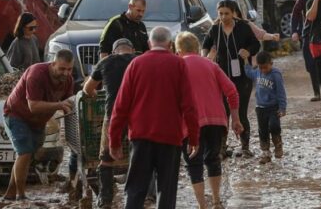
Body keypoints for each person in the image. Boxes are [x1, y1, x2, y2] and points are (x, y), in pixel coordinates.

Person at [108, 27, 199, 209]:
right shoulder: (178, 64)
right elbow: (189, 106)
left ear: (149, 43)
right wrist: (194, 138)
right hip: (170, 137)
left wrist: (114, 140)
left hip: (141, 137)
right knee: (166, 190)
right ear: (170, 44)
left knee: (135, 189)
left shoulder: (136, 64)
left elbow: (120, 106)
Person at [175, 32, 241, 209]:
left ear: (178, 50)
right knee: (213, 160)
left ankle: (203, 205)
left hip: (190, 124)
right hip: (216, 121)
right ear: (197, 48)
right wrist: (235, 119)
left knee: (193, 164)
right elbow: (232, 91)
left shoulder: (177, 66)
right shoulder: (211, 65)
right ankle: (217, 201)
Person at [2, 50, 75, 201]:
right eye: (62, 69)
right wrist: (59, 104)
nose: (66, 73)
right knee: (24, 152)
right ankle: (21, 197)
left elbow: (70, 104)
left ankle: (9, 194)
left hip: (38, 121)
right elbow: (33, 106)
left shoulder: (68, 80)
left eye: (69, 69)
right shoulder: (37, 73)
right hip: (16, 114)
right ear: (52, 64)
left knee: (27, 155)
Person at [202, 0, 260, 157]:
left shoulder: (243, 27)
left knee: (241, 112)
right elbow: (205, 44)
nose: (223, 17)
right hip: (221, 76)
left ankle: (245, 146)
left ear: (234, 13)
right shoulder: (215, 29)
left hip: (242, 76)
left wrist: (248, 52)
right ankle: (222, 147)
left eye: (227, 13)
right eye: (220, 13)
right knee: (223, 113)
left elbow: (256, 44)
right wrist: (205, 57)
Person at [82, 39, 136, 209]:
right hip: (137, 115)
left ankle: (105, 200)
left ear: (113, 52)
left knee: (106, 159)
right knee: (140, 155)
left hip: (113, 114)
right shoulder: (138, 60)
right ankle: (143, 196)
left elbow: (87, 89)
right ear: (132, 50)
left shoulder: (105, 62)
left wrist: (94, 94)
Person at [245, 51, 287, 164]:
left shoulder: (275, 74)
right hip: (260, 108)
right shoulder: (257, 72)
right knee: (262, 131)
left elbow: (281, 92)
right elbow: (249, 72)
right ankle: (265, 153)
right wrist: (245, 60)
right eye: (260, 67)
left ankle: (278, 145)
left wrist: (282, 108)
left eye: (265, 67)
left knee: (274, 126)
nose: (263, 70)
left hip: (273, 107)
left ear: (271, 63)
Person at [291, 0, 321, 102]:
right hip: (308, 34)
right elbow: (295, 13)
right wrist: (294, 31)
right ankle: (317, 92)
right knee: (311, 65)